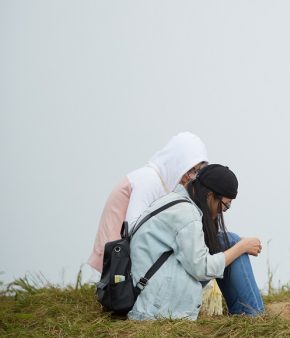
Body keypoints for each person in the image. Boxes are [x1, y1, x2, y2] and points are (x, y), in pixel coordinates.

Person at [127, 164, 264, 320]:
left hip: (149, 291)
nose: (222, 212)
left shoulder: (176, 201)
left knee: (226, 240)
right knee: (233, 243)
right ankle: (253, 317)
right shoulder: (187, 215)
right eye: (225, 205)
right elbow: (201, 268)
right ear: (210, 195)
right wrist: (242, 246)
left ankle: (251, 314)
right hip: (154, 309)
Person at [87, 132, 208, 272]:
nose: (191, 177)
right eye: (191, 169)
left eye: (196, 172)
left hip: (121, 256)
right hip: (117, 258)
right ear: (178, 160)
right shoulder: (149, 180)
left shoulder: (159, 181)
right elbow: (135, 227)